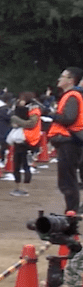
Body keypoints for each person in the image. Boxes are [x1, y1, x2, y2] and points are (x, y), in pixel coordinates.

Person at [48, 67, 83, 212]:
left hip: (69, 141)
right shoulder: (71, 95)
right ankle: (72, 210)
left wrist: (51, 115)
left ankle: (71, 211)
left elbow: (69, 118)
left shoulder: (72, 96)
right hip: (70, 140)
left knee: (67, 180)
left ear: (71, 80)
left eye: (63, 76)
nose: (59, 79)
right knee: (68, 178)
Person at [9, 90, 42, 197]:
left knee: (26, 165)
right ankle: (18, 187)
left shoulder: (34, 110)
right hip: (21, 140)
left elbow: (31, 124)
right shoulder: (21, 109)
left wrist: (17, 121)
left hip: (28, 141)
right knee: (16, 165)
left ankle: (25, 188)